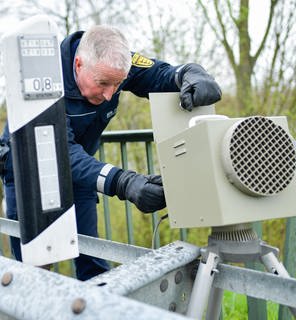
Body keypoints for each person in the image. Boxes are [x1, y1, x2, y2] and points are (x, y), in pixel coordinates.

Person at [0, 25, 222, 281]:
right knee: (36, 269)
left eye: (118, 84)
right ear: (79, 64)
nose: (109, 95)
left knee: (92, 262)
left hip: (81, 173)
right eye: (103, 83)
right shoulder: (42, 79)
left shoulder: (114, 63)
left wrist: (190, 74)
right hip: (30, 173)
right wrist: (124, 182)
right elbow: (61, 153)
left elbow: (160, 75)